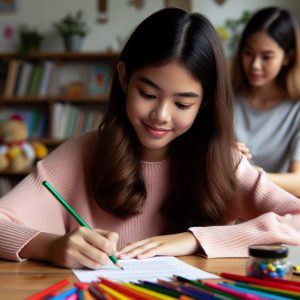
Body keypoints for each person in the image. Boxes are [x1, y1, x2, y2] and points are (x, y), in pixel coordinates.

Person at [0, 8, 300, 270]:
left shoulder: (224, 163)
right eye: (148, 94)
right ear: (124, 78)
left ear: (204, 103)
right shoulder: (81, 155)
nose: (161, 115)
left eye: (182, 104)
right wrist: (50, 246)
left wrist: (194, 239)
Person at [232, 7, 300, 197]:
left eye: (266, 57)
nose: (254, 65)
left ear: (288, 57)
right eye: (248, 52)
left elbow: (298, 182)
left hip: (274, 209)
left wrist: (248, 174)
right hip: (225, 203)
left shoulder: (296, 109)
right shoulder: (226, 97)